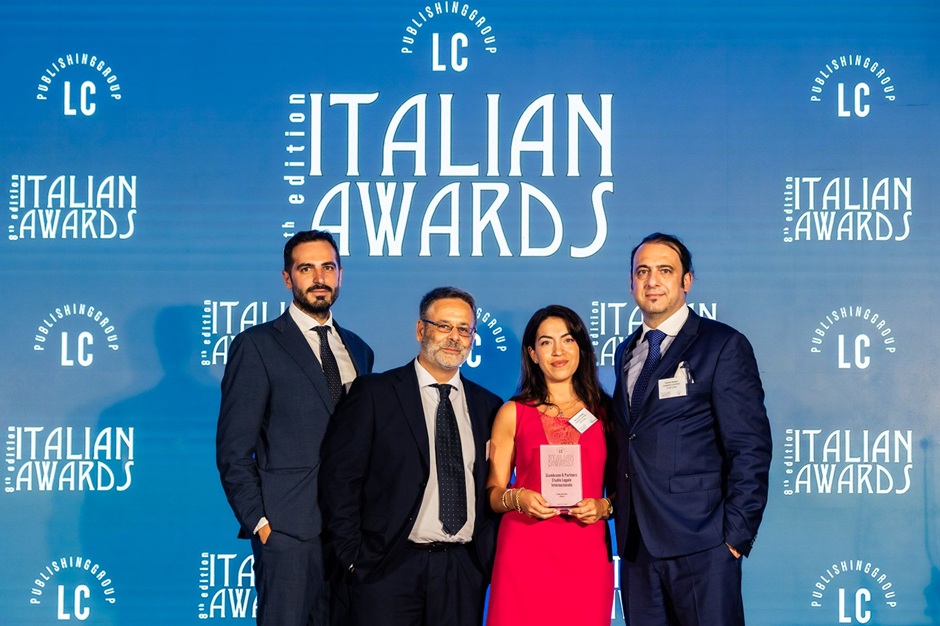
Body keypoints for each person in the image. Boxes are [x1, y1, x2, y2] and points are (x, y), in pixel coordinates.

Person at [612, 232, 772, 625]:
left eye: (665, 270)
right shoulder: (626, 351)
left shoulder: (722, 345)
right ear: (631, 282)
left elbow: (749, 447)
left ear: (687, 280)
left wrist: (734, 537)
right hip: (637, 548)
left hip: (703, 545)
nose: (652, 281)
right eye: (642, 271)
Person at [216, 230, 375, 626]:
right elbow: (233, 450)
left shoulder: (359, 349)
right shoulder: (257, 345)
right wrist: (261, 524)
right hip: (287, 533)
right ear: (287, 278)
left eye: (328, 267)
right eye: (306, 269)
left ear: (340, 274)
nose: (319, 278)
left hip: (350, 533)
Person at [319, 286, 502, 626]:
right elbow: (340, 478)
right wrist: (353, 557)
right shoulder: (375, 393)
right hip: (388, 567)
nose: (454, 337)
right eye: (443, 326)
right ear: (421, 330)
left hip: (462, 569)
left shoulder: (489, 406)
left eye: (464, 329)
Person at [485, 305, 614, 625]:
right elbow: (493, 493)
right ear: (532, 353)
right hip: (524, 551)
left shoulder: (607, 413)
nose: (558, 351)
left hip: (586, 552)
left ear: (581, 348)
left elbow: (624, 488)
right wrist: (518, 498)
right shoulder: (512, 413)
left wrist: (603, 507)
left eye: (567, 340)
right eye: (546, 342)